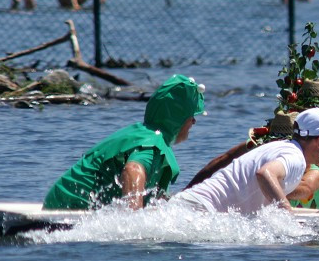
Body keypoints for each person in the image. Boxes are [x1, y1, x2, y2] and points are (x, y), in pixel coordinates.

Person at [43, 75, 205, 210]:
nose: (194, 122)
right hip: (68, 208)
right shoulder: (151, 144)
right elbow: (132, 169)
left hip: (58, 202)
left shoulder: (142, 133)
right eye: (191, 116)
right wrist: (133, 221)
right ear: (178, 117)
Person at [174, 108, 319, 215]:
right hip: (197, 211)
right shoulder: (295, 158)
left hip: (190, 205)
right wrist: (285, 213)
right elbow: (264, 174)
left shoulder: (281, 146)